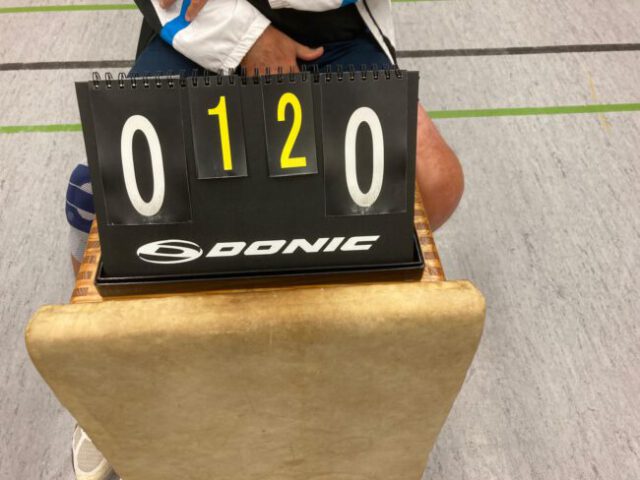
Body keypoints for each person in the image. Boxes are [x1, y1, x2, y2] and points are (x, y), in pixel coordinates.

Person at [67, 0, 464, 478]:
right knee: (96, 198)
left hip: (334, 33)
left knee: (433, 181)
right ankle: (115, 385)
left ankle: (338, 349)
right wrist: (245, 36)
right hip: (196, 29)